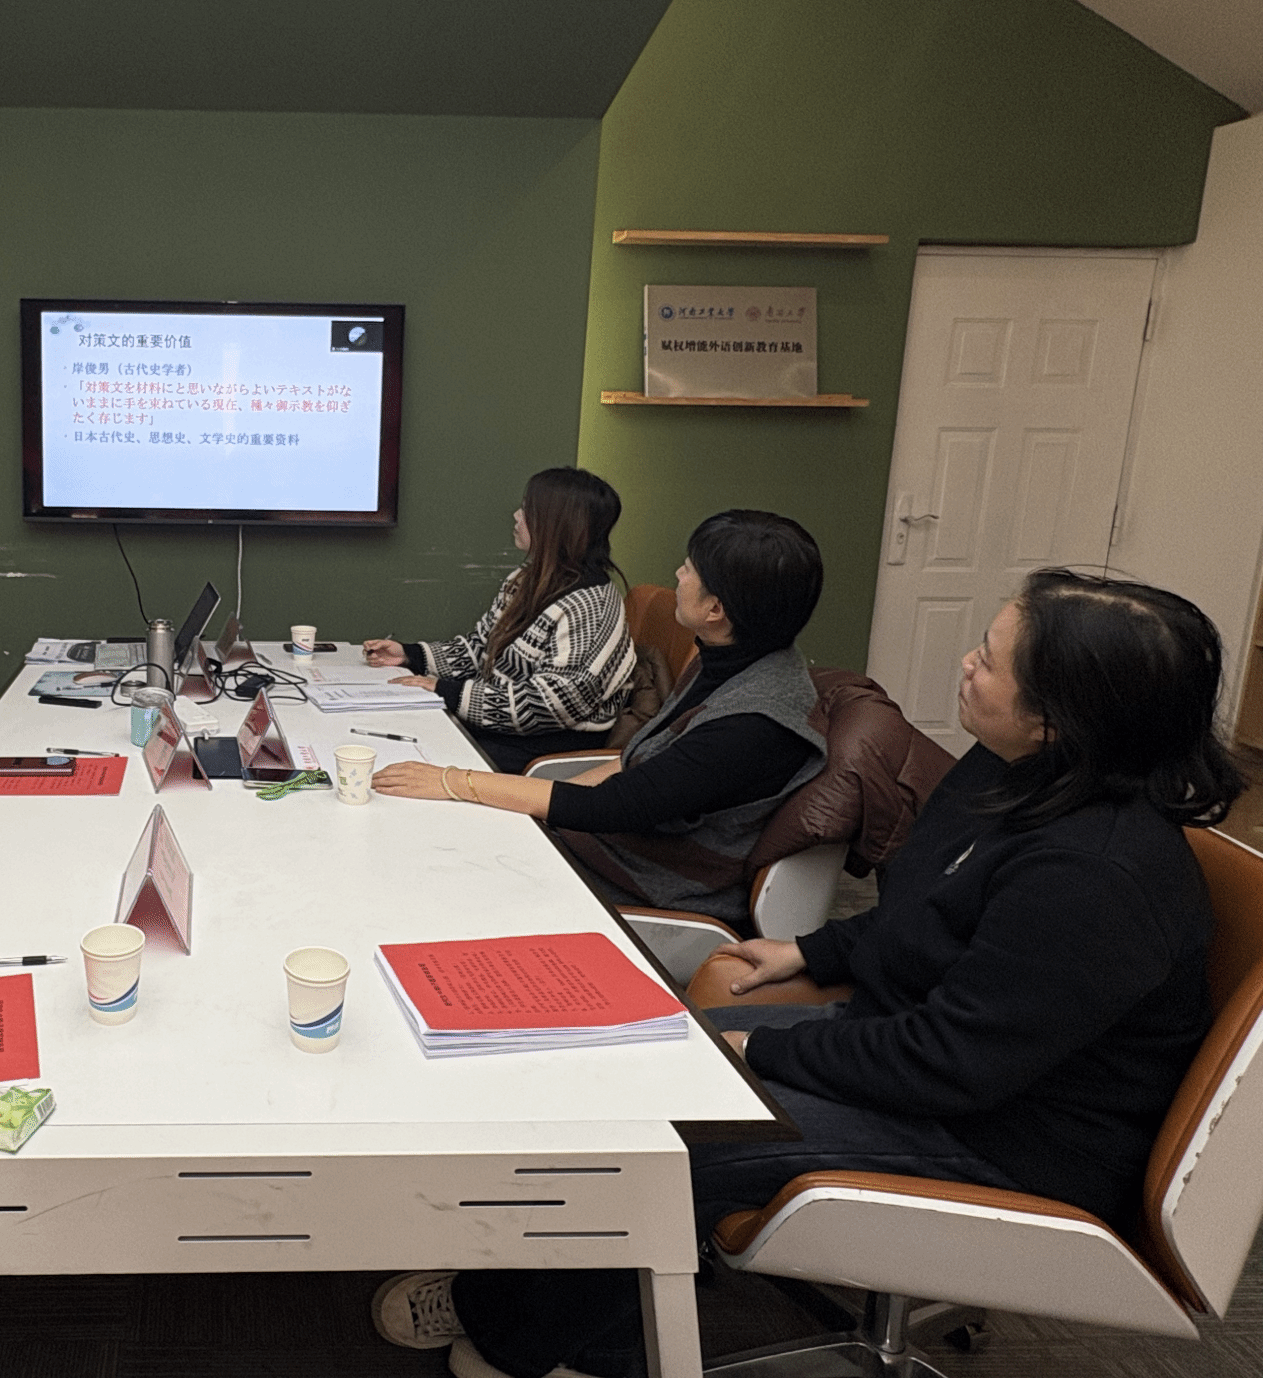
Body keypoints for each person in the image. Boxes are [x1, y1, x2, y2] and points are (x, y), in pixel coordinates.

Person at [369, 568, 1244, 1378]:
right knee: (628, 1059)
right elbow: (929, 917)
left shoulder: (1095, 874)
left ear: (1059, 718)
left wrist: (763, 1052)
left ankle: (543, 1342)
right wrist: (811, 951)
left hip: (1005, 1136)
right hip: (920, 1053)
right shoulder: (1015, 774)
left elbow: (951, 1063)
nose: (967, 664)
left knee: (668, 1134)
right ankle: (553, 1291)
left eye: (990, 658)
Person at [374, 509, 827, 930]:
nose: (678, 574)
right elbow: (633, 765)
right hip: (618, 844)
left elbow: (615, 806)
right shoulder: (737, 659)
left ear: (715, 610)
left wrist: (455, 781)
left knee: (433, 859)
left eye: (689, 569)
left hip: (650, 882)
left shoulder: (752, 723)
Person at [362, 467, 639, 773]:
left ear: (556, 524)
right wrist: (410, 654)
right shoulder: (524, 580)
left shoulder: (591, 605)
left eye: (528, 510)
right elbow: (481, 647)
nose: (516, 516)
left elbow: (550, 704)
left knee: (406, 763)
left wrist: (447, 691)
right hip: (499, 731)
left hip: (545, 748)